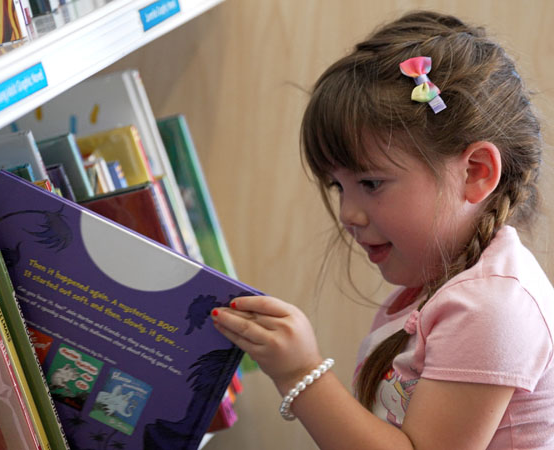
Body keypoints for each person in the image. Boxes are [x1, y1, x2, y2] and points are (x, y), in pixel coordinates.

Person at [211, 9, 554, 449]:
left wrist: (301, 374)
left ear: (476, 172)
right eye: (339, 186)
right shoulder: (443, 290)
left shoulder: (494, 306)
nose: (348, 213)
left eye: (371, 183)